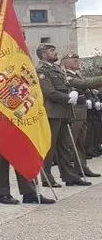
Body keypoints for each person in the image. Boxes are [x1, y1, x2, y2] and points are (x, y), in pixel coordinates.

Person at [0, 57, 53, 205]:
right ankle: (1, 193)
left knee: (24, 150)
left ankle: (29, 192)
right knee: (2, 153)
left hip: (21, 110)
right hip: (2, 111)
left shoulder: (20, 55)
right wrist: (2, 98)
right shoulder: (0, 54)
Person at [37, 44, 90, 187]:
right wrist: (67, 98)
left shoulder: (56, 69)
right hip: (52, 113)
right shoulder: (41, 70)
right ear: (43, 54)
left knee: (65, 146)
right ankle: (47, 178)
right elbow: (49, 92)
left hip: (63, 112)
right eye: (52, 50)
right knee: (50, 147)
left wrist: (72, 92)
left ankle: (69, 176)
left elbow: (65, 85)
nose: (55, 52)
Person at [61, 52, 102, 178]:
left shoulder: (76, 74)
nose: (78, 63)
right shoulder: (66, 76)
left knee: (80, 143)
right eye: (75, 61)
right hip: (75, 113)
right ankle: (70, 172)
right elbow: (84, 83)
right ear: (66, 63)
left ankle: (82, 168)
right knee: (71, 143)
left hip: (82, 112)